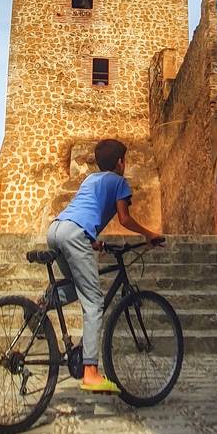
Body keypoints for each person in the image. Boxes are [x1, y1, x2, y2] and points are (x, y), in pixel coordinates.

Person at [46, 138, 162, 393]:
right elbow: (124, 218)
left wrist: (94, 242)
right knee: (95, 302)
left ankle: (41, 305)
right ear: (120, 162)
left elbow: (83, 210)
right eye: (125, 160)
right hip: (75, 234)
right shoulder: (120, 182)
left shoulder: (90, 180)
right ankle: (90, 371)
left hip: (56, 229)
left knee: (79, 287)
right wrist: (149, 234)